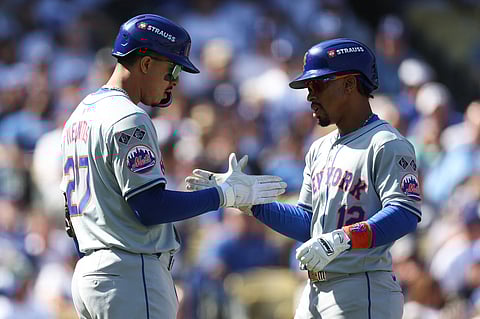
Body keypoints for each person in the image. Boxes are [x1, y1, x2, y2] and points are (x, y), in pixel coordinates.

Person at [60, 14, 286, 319]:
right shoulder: (129, 117)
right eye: (172, 69)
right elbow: (150, 206)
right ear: (145, 63)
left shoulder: (79, 115)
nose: (175, 81)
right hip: (129, 272)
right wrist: (224, 195)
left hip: (92, 271)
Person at [186, 38, 421, 318]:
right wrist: (252, 203)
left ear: (349, 84)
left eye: (318, 85)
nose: (310, 95)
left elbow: (405, 213)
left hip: (362, 288)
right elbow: (309, 223)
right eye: (309, 87)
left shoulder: (386, 143)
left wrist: (344, 238)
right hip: (315, 290)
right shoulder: (320, 147)